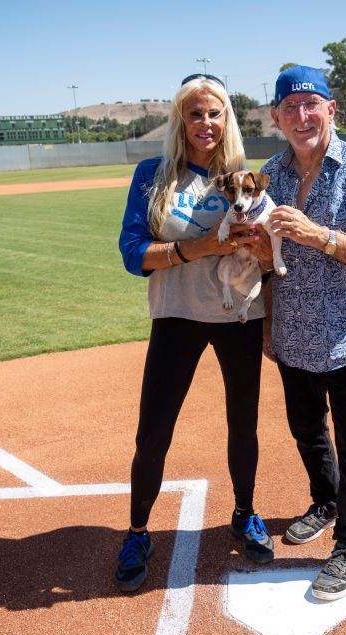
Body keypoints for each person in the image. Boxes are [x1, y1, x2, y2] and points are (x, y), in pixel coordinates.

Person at [115, 73, 274, 592]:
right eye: (194, 113)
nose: (204, 123)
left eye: (214, 113)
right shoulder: (152, 175)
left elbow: (271, 261)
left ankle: (245, 512)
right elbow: (133, 254)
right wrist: (200, 248)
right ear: (180, 120)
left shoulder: (244, 178)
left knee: (242, 423)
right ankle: (139, 531)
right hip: (176, 315)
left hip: (239, 318)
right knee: (153, 429)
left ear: (226, 119)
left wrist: (272, 316)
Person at [260, 65, 346, 601]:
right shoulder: (269, 174)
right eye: (289, 108)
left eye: (310, 105)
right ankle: (325, 500)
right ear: (276, 117)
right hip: (293, 335)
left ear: (331, 109)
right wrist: (269, 327)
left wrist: (319, 236)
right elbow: (266, 263)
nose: (301, 117)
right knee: (307, 431)